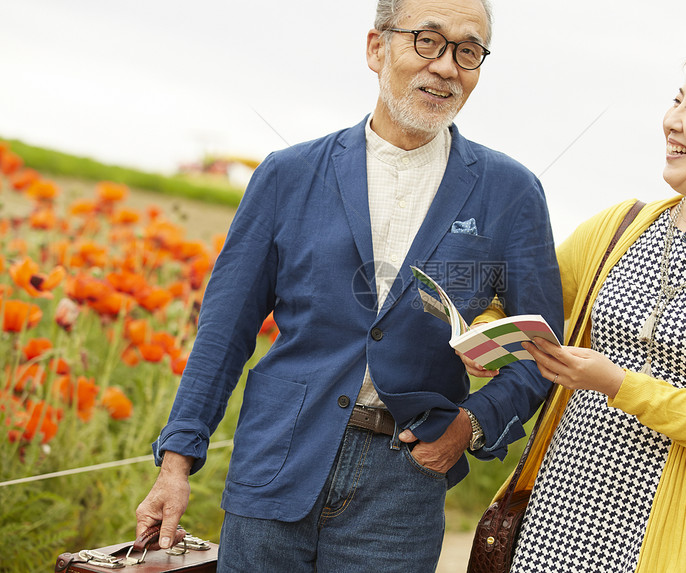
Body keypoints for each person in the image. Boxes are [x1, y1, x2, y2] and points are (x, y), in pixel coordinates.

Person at [135, 0, 563, 571]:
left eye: (468, 51)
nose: (446, 67)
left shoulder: (511, 192)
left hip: (404, 483)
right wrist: (176, 461)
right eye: (427, 41)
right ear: (375, 47)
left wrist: (473, 422)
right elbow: (225, 329)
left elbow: (543, 352)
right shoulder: (287, 174)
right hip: (276, 464)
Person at [463, 46, 686, 572]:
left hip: (659, 536)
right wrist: (485, 337)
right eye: (676, 101)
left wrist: (618, 385)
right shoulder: (619, 226)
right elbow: (517, 301)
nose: (671, 121)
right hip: (552, 517)